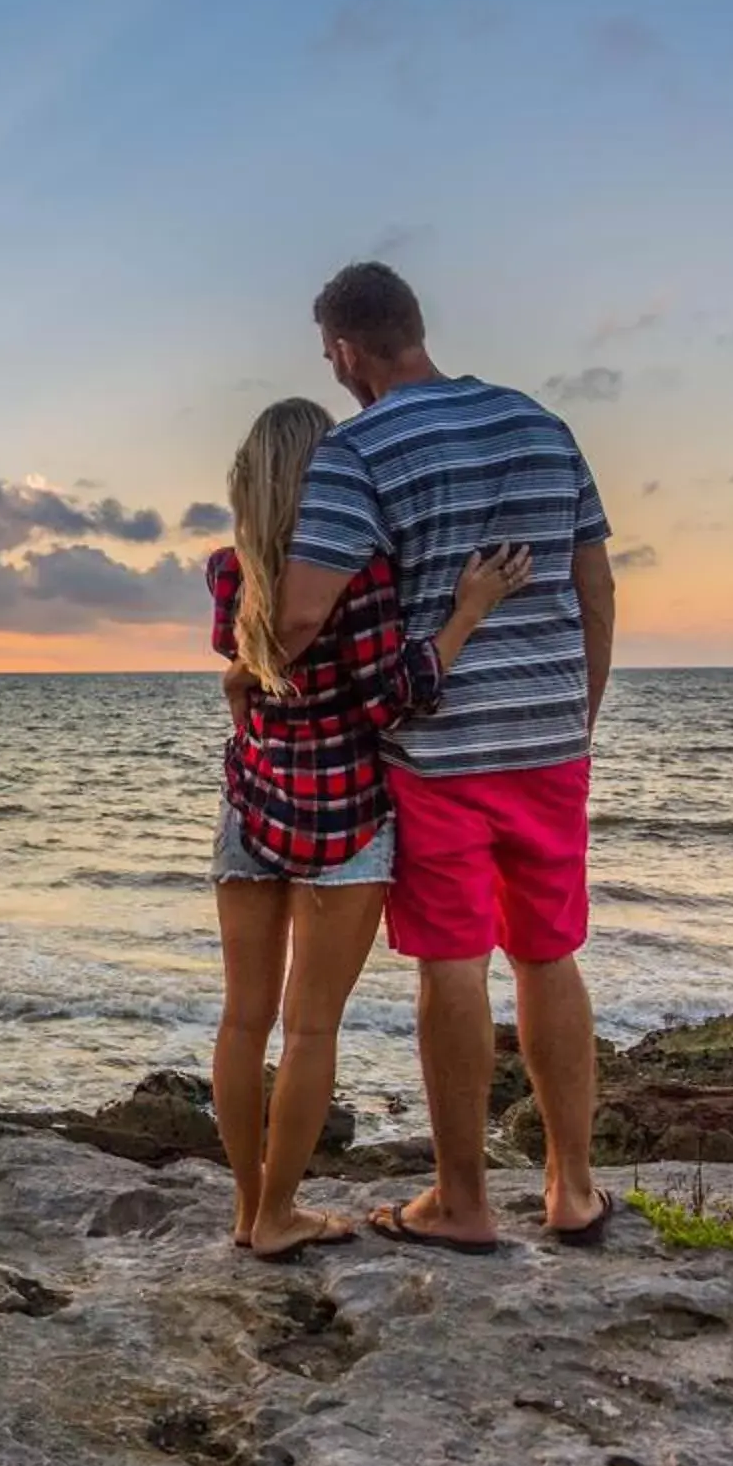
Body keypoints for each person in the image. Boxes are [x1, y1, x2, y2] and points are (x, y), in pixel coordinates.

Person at [272, 261, 620, 1252]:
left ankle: (463, 1201)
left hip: (435, 749)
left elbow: (299, 612)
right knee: (550, 950)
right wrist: (577, 711)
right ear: (417, 327)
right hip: (550, 739)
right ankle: (573, 1191)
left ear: (344, 351)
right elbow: (595, 587)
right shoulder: (542, 426)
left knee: (453, 959)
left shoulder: (360, 449)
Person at [209, 397, 527, 1260]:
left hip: (254, 801)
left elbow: (246, 658)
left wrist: (244, 677)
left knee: (243, 1020)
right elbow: (392, 696)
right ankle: (280, 1213)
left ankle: (249, 1214)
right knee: (310, 1027)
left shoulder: (227, 569)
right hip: (345, 812)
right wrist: (467, 612)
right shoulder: (365, 574)